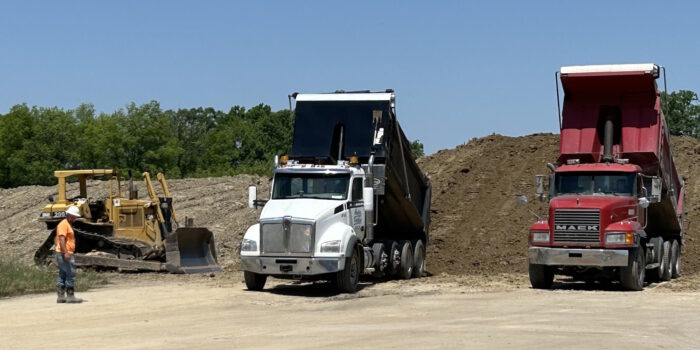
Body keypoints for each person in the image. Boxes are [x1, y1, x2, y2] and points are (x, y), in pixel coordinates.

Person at [55, 205, 83, 304]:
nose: (75, 218)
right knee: (70, 273)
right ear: (70, 215)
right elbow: (62, 239)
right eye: (75, 216)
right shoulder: (64, 224)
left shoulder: (66, 224)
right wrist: (65, 252)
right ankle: (70, 296)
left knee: (62, 274)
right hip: (64, 253)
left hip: (61, 253)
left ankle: (61, 296)